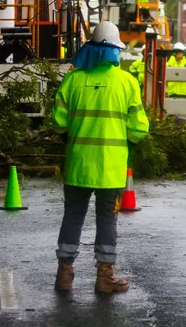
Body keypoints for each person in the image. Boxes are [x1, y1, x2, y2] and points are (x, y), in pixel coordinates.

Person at [50, 21, 149, 294]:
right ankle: (105, 277)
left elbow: (57, 123)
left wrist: (70, 139)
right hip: (110, 168)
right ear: (115, 51)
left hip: (78, 166)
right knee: (107, 220)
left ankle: (64, 274)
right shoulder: (127, 82)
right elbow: (140, 128)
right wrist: (125, 142)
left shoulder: (73, 80)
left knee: (73, 217)